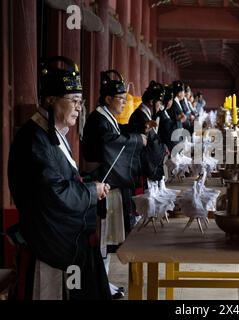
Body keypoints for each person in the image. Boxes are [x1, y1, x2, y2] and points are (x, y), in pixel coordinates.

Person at [7, 56, 111, 300]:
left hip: (65, 234)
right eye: (73, 100)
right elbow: (52, 192)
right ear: (50, 100)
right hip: (49, 239)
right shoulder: (34, 140)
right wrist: (90, 192)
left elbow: (63, 179)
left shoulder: (51, 133)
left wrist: (88, 182)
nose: (79, 107)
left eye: (80, 101)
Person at [81, 70, 146, 298]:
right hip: (100, 185)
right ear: (108, 99)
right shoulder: (98, 119)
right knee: (103, 239)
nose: (123, 104)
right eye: (120, 100)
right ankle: (101, 283)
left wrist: (137, 131)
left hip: (107, 184)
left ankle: (105, 280)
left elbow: (117, 134)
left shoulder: (105, 117)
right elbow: (111, 143)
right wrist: (137, 140)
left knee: (107, 241)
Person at [129, 81, 166, 183]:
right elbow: (150, 145)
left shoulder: (145, 115)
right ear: (151, 101)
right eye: (160, 102)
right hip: (143, 170)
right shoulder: (140, 116)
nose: (161, 106)